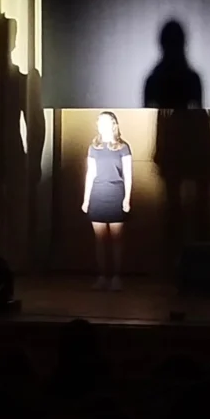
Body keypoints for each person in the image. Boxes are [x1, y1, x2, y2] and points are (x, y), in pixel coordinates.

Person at [82, 111, 133, 291]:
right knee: (100, 240)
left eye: (105, 122)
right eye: (99, 122)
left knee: (117, 240)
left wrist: (127, 198)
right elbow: (90, 174)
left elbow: (128, 175)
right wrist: (86, 199)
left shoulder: (123, 147)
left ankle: (117, 277)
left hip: (116, 194)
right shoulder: (93, 147)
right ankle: (102, 276)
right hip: (98, 194)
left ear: (113, 125)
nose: (101, 125)